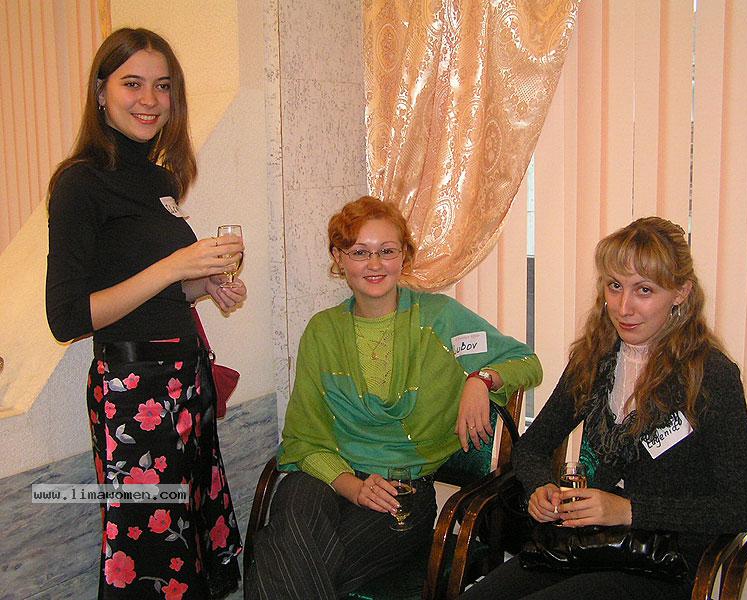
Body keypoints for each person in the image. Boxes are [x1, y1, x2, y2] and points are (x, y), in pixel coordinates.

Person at [245, 196, 542, 599]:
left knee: (278, 556)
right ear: (339, 258)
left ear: (404, 256)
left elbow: (526, 362)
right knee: (293, 510)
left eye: (387, 251)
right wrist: (352, 486)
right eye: (359, 252)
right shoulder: (322, 331)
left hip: (400, 493)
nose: (374, 264)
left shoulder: (440, 319)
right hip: (325, 479)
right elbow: (304, 438)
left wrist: (481, 378)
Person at [460, 216, 747, 600]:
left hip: (663, 562)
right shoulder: (596, 358)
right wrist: (541, 488)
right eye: (615, 286)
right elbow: (533, 448)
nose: (623, 307)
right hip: (589, 543)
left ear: (681, 293)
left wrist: (629, 510)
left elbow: (744, 506)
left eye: (644, 290)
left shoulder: (710, 375)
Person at [46, 28, 245, 598]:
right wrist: (173, 266)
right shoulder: (79, 184)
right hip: (134, 393)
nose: (150, 100)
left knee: (191, 545)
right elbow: (68, 318)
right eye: (132, 84)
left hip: (186, 385)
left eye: (163, 86)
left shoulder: (160, 179)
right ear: (101, 92)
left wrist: (200, 285)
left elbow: (147, 295)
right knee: (148, 553)